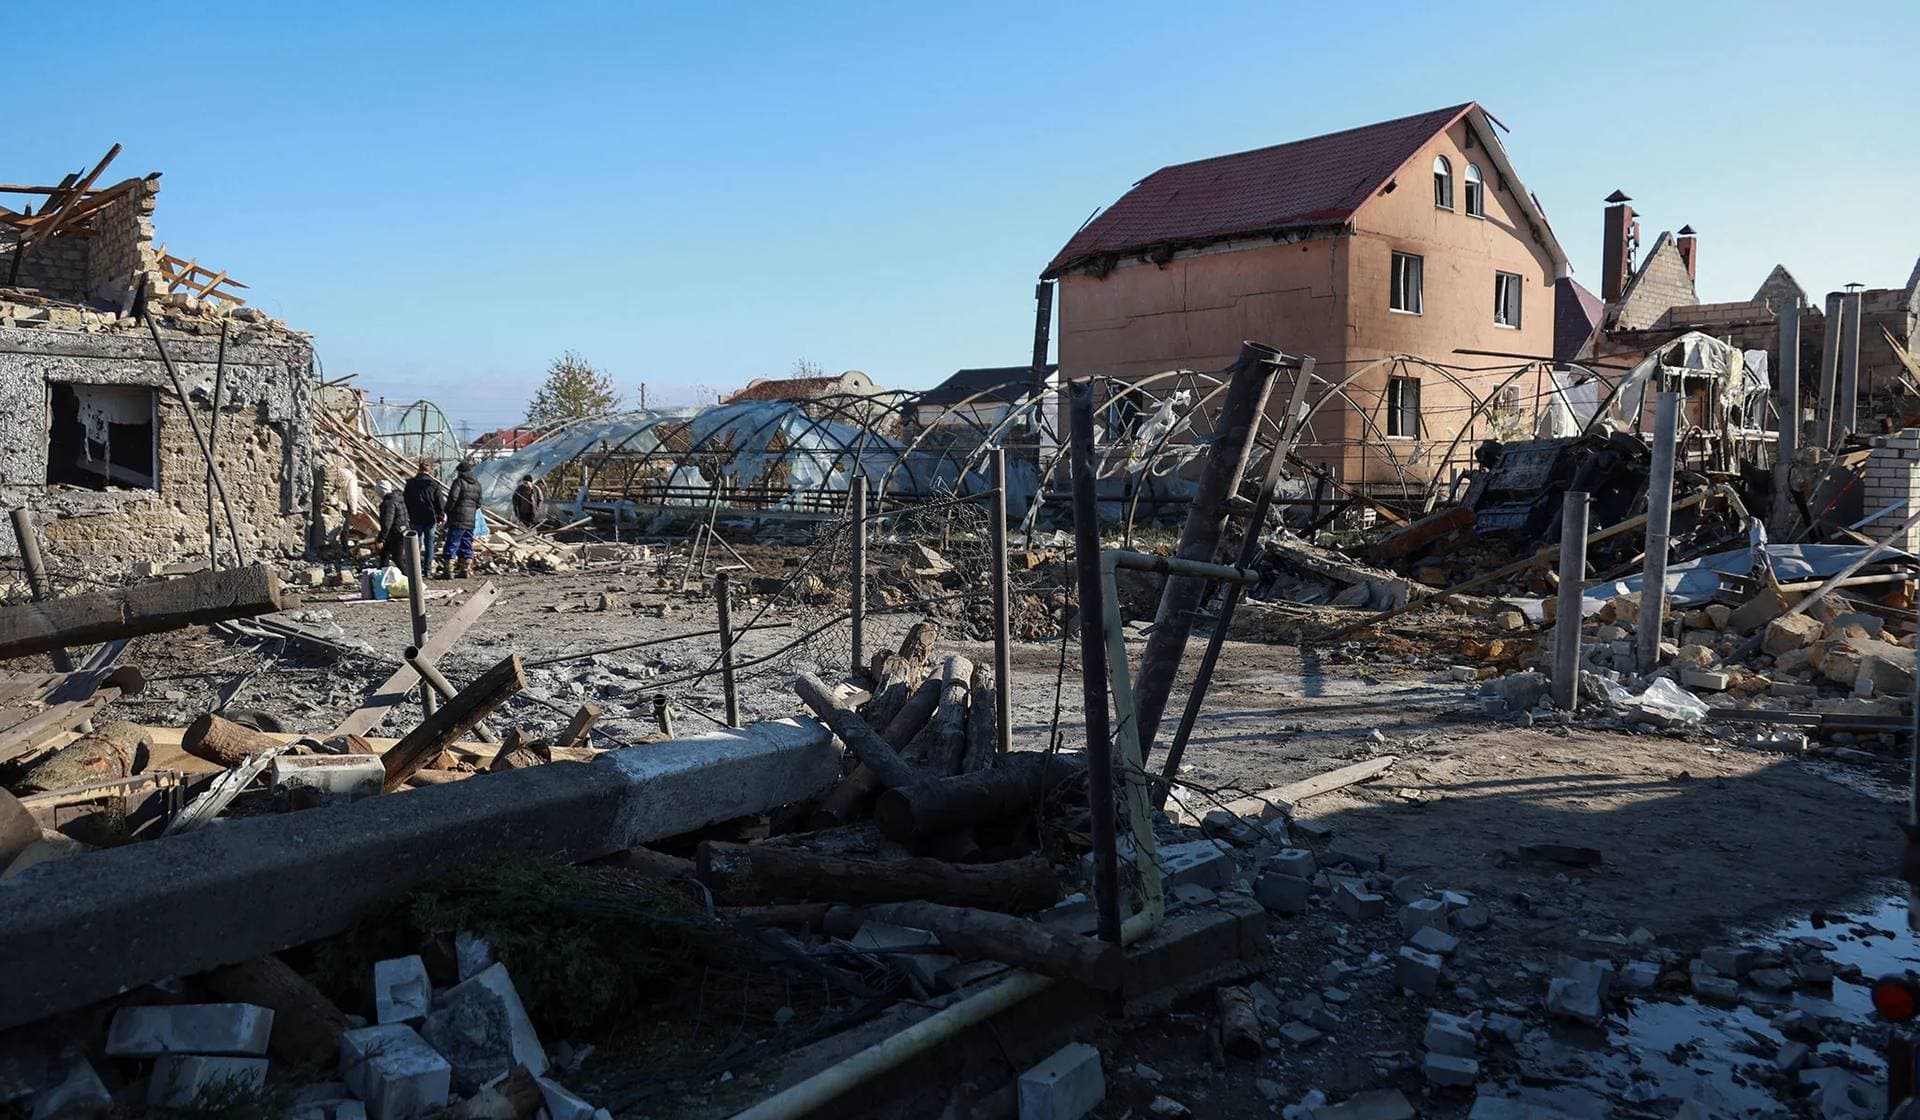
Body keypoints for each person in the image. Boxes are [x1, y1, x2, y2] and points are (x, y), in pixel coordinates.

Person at [441, 460, 483, 579]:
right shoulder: (477, 484)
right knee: (467, 543)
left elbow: (453, 498)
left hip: (458, 518)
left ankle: (448, 571)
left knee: (452, 543)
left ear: (460, 471)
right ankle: (465, 569)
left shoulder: (458, 482)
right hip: (470, 520)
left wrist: (447, 511)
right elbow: (479, 503)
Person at [402, 460, 444, 574]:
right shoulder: (434, 485)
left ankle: (415, 569)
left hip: (415, 517)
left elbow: (405, 500)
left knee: (415, 544)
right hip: (430, 518)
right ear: (429, 470)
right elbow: (439, 502)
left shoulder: (410, 484)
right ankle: (427, 569)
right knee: (429, 543)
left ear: (418, 469)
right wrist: (440, 516)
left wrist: (407, 514)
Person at [374, 480, 407, 567]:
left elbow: (387, 522)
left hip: (394, 533)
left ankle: (408, 577)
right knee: (384, 555)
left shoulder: (388, 503)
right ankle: (383, 575)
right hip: (401, 530)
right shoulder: (398, 499)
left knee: (397, 558)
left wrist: (381, 539)